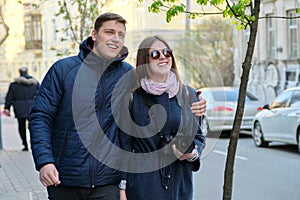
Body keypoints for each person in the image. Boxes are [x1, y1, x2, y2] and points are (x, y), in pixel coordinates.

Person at [29, 13, 207, 200]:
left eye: (121, 34)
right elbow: (40, 117)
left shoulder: (129, 75)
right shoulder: (63, 70)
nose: (115, 38)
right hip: (65, 179)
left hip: (108, 183)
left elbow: (161, 88)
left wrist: (193, 102)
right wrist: (45, 162)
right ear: (94, 34)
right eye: (109, 32)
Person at [118, 35, 206, 200]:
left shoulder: (188, 94)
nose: (163, 57)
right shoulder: (132, 97)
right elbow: (125, 146)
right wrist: (122, 189)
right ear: (145, 61)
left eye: (167, 52)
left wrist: (192, 154)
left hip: (180, 184)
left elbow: (198, 136)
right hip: (143, 185)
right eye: (155, 54)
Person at [4, 67, 39, 151]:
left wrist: (7, 108)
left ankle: (25, 145)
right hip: (32, 107)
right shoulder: (35, 83)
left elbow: (9, 97)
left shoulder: (14, 84)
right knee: (34, 127)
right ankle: (34, 144)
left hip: (19, 108)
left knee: (21, 127)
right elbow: (41, 95)